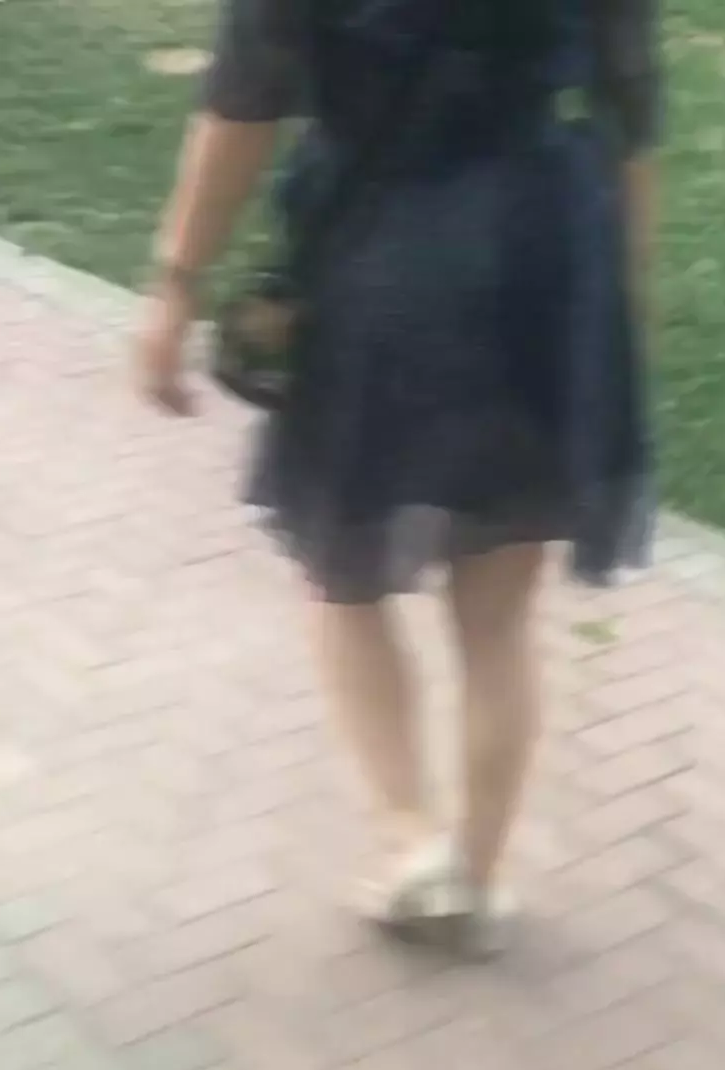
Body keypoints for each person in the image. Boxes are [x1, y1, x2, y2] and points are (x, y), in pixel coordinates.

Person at [136, 0, 661, 954]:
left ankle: (411, 838)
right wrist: (624, 298)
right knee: (498, 619)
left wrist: (176, 283)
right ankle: (478, 879)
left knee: (340, 572)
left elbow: (242, 103)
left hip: (378, 250)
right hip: (546, 255)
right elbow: (633, 109)